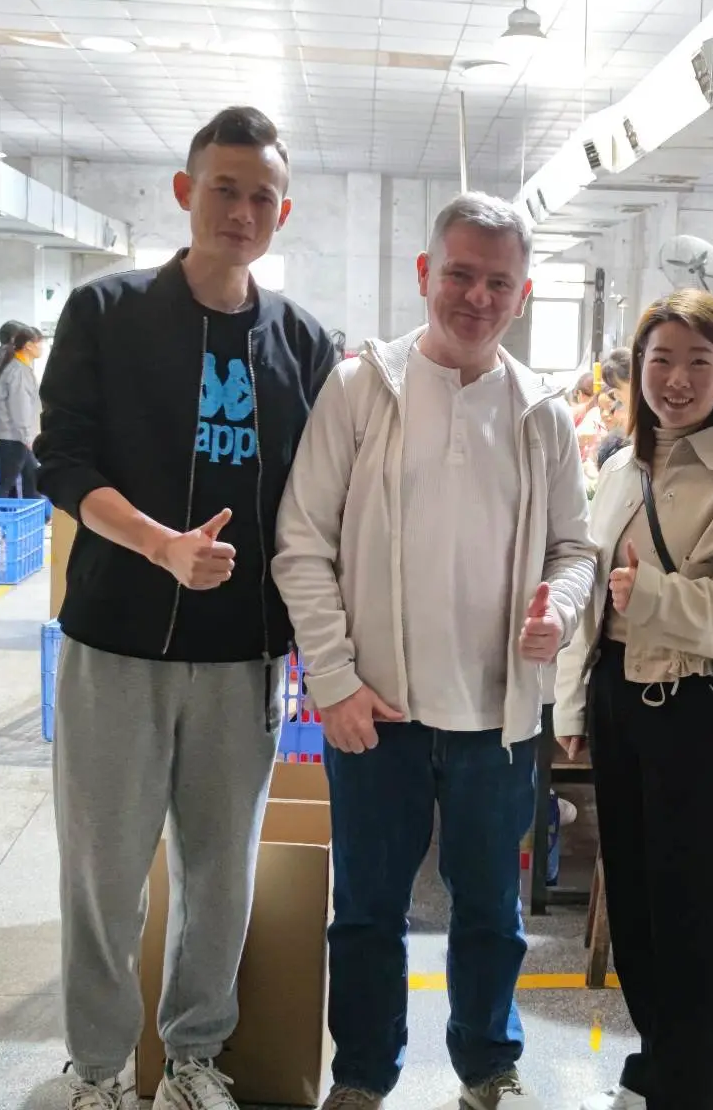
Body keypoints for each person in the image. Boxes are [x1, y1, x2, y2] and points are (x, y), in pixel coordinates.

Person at [34, 105, 340, 1110]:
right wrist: (157, 546)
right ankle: (96, 1067)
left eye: (261, 195)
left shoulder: (301, 342)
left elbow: (321, 498)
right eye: (223, 188)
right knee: (103, 874)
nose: (241, 210)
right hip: (115, 644)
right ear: (184, 191)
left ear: (281, 210)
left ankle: (194, 1060)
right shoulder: (106, 314)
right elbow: (63, 458)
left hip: (240, 658)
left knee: (219, 876)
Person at [273, 192, 596, 1110]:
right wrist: (332, 679)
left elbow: (575, 549)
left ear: (524, 294)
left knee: (493, 913)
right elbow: (303, 540)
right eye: (459, 273)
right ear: (424, 274)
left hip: (499, 716)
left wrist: (561, 610)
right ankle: (364, 1076)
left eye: (499, 282)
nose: (477, 297)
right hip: (376, 707)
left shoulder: (543, 415)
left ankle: (489, 1067)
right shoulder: (360, 389)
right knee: (368, 910)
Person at [554, 289, 713, 1110]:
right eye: (660, 360)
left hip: (694, 714)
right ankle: (660, 1058)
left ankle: (695, 1092)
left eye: (698, 360)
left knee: (688, 923)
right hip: (620, 701)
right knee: (637, 909)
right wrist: (575, 709)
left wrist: (653, 598)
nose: (677, 379)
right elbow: (589, 595)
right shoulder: (623, 467)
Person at [0, 324, 44, 498]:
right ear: (28, 345)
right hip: (13, 437)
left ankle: (40, 516)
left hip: (14, 436)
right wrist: (28, 437)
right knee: (7, 482)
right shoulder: (18, 371)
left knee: (31, 474)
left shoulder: (19, 367)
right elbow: (20, 408)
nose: (41, 348)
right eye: (39, 343)